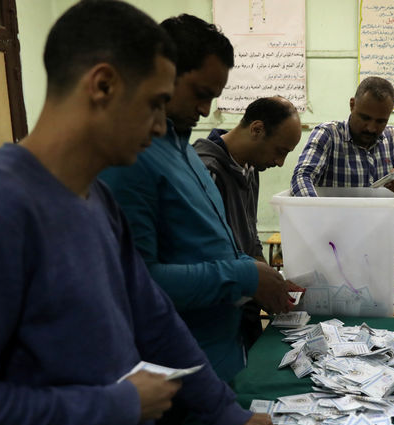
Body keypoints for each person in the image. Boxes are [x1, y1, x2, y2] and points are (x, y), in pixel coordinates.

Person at [0, 2, 287, 425]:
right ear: (102, 85)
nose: (159, 127)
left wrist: (225, 413)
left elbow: (156, 319)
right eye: (154, 104)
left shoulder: (95, 199)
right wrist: (119, 406)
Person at [100, 15, 297, 382]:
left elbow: (211, 245)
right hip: (173, 376)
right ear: (161, 75)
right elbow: (138, 283)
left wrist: (258, 272)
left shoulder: (183, 150)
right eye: (200, 93)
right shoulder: (132, 158)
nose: (206, 110)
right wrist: (243, 275)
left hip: (213, 364)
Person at [193, 96, 302, 350]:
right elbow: (206, 256)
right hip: (217, 316)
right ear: (256, 129)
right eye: (280, 150)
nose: (280, 162)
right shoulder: (206, 171)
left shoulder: (250, 167)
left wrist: (273, 281)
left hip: (246, 304)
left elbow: (251, 240)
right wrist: (256, 281)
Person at [290, 76, 394, 197]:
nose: (371, 128)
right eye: (365, 118)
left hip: (381, 222)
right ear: (352, 105)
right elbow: (302, 177)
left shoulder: (392, 137)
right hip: (331, 223)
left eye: (381, 121)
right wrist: (316, 210)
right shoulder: (328, 135)